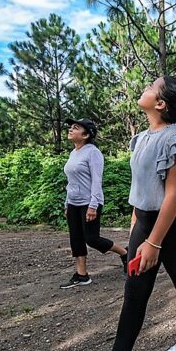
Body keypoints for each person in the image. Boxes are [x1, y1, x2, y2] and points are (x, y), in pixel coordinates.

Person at [70, 76, 176, 351]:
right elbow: (145, 187)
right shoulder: (144, 137)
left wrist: (154, 243)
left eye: (151, 86)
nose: (145, 88)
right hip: (147, 223)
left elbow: (173, 197)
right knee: (134, 293)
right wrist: (137, 225)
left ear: (160, 103)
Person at [60, 118, 128, 289]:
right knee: (76, 238)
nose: (70, 129)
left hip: (89, 202)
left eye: (75, 128)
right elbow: (71, 181)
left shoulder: (93, 152)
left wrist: (93, 205)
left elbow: (97, 181)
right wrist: (67, 204)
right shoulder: (73, 153)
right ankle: (82, 275)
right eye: (71, 127)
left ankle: (125, 253)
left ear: (86, 135)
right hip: (74, 203)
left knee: (91, 239)